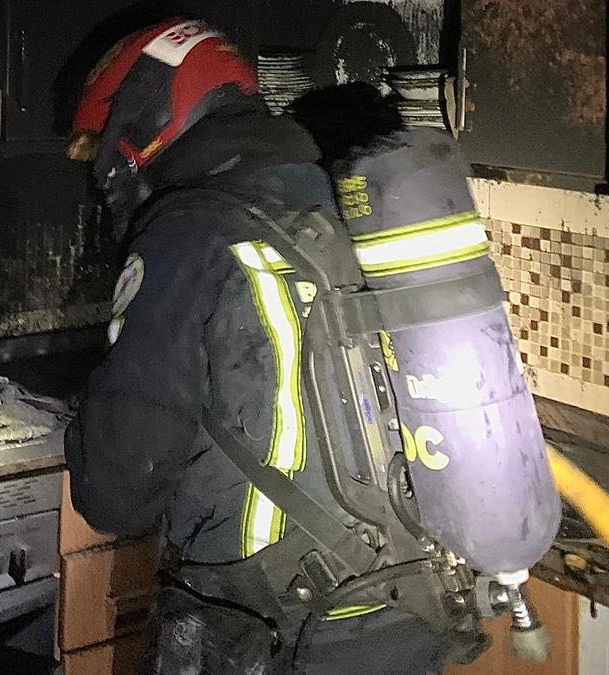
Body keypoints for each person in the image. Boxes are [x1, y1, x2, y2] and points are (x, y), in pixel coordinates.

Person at [61, 17, 460, 674]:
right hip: (406, 609)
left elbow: (116, 492)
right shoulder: (332, 199)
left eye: (97, 146)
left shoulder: (186, 235)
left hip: (281, 631)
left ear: (140, 127)